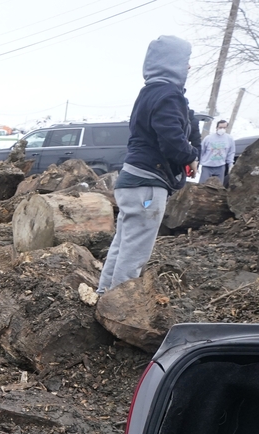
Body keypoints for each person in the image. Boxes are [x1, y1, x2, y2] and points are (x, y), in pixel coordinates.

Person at [96, 35, 198, 294]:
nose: (188, 67)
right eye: (185, 61)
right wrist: (189, 157)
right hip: (147, 185)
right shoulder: (168, 95)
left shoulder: (149, 92)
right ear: (172, 63)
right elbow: (172, 141)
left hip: (132, 180)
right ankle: (119, 306)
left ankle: (103, 295)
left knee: (122, 245)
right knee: (134, 254)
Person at [199, 119, 235, 184]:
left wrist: (230, 164)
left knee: (219, 186)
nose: (222, 129)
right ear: (216, 127)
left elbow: (231, 152)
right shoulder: (208, 138)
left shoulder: (229, 139)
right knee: (202, 185)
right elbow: (201, 151)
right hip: (207, 166)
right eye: (220, 127)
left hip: (220, 166)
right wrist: (198, 162)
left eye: (224, 128)